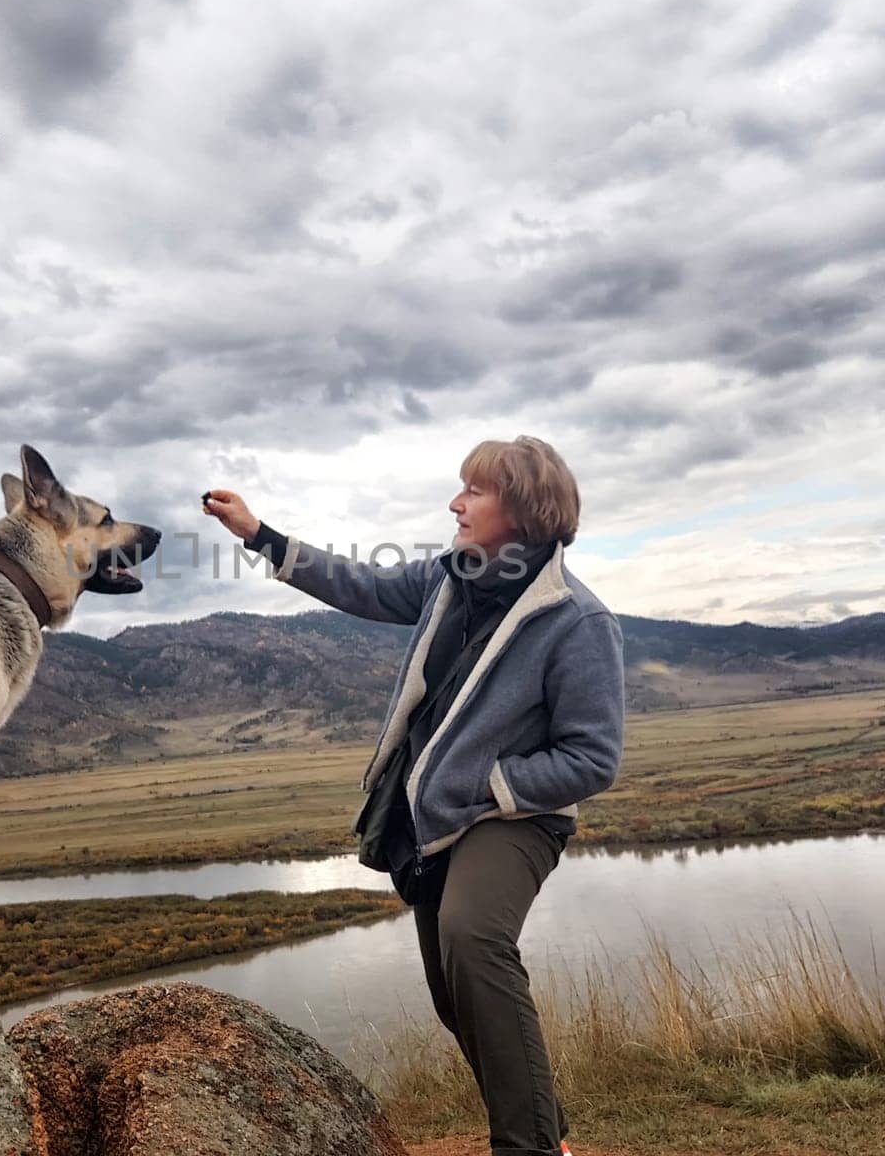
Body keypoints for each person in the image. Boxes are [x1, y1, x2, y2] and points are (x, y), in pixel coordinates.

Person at [203, 435, 623, 1156]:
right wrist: (259, 535)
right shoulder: (447, 581)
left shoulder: (578, 621)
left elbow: (592, 756)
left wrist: (494, 787)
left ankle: (525, 1147)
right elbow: (359, 584)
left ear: (522, 510)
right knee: (454, 995)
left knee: (473, 938)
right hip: (434, 817)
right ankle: (546, 1127)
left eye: (474, 491)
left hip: (513, 816)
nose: (456, 504)